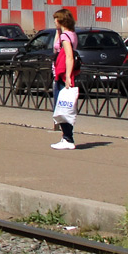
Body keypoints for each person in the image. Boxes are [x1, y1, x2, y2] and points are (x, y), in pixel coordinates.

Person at [51, 8, 79, 150]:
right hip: (62, 74)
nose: (54, 21)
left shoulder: (65, 37)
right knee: (63, 106)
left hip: (62, 75)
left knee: (61, 107)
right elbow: (55, 48)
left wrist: (68, 76)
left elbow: (69, 56)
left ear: (61, 20)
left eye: (56, 19)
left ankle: (68, 138)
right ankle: (66, 137)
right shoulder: (69, 34)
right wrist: (58, 32)